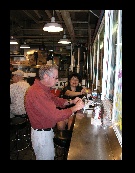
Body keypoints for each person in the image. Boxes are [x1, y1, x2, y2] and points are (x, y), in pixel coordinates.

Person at [24, 64, 84, 160]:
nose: (57, 80)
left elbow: (56, 100)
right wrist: (74, 108)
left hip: (45, 131)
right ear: (46, 76)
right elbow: (55, 115)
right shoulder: (37, 92)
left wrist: (71, 102)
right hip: (42, 134)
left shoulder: (43, 89)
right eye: (55, 77)